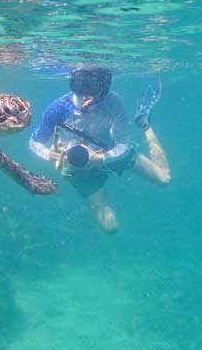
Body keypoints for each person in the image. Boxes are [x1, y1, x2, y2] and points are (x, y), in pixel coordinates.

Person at [29, 67, 171, 233]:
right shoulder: (58, 108)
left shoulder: (113, 102)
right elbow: (34, 142)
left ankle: (145, 125)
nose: (85, 94)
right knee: (110, 228)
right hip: (76, 167)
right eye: (77, 85)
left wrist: (102, 158)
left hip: (110, 152)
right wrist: (48, 154)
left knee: (164, 179)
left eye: (92, 87)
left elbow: (123, 144)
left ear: (104, 88)